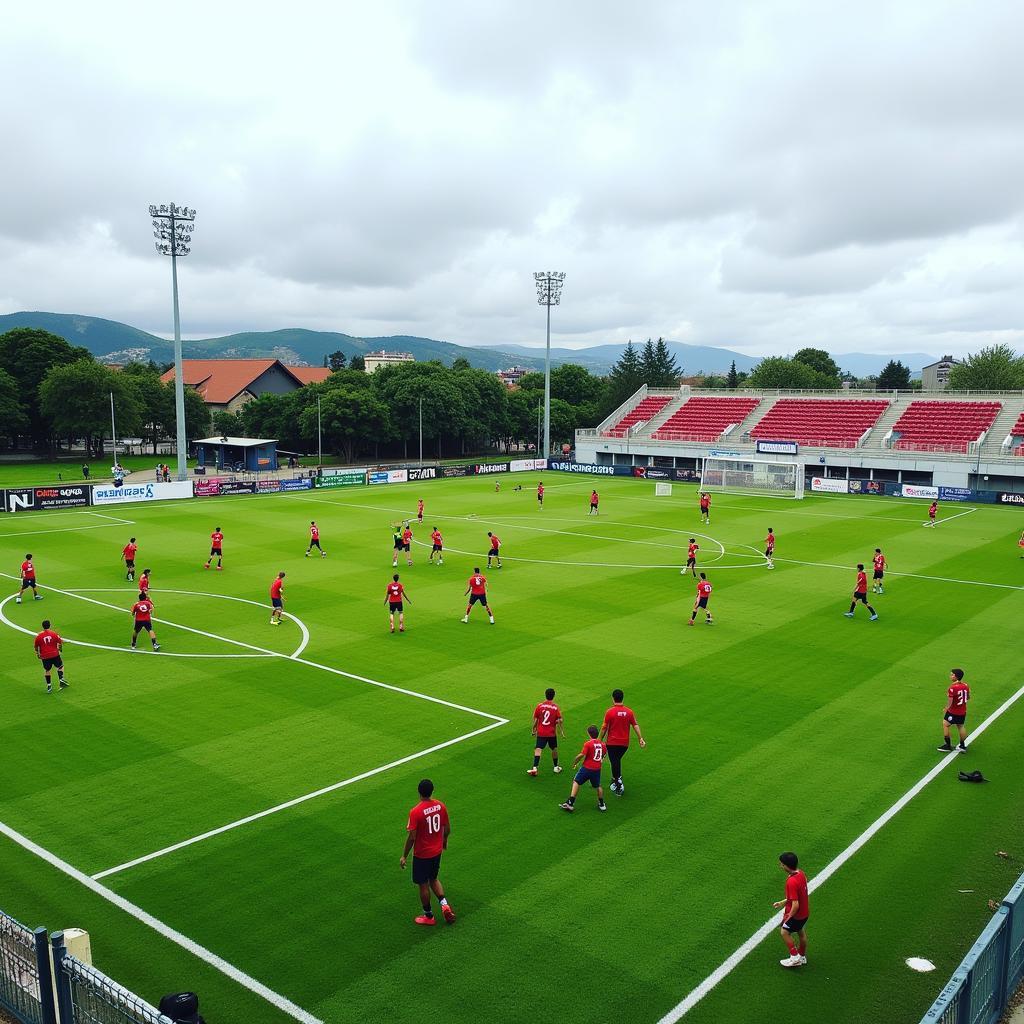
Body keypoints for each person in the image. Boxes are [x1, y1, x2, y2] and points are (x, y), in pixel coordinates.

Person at [400, 779, 455, 926]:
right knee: (434, 879)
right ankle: (444, 905)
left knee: (423, 885)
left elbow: (412, 838)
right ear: (432, 791)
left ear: (419, 792)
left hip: (422, 855)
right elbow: (447, 828)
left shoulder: (416, 812)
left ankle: (429, 916)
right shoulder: (440, 806)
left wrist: (404, 856)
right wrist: (444, 841)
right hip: (436, 852)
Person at [599, 689, 646, 795]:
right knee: (616, 760)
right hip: (624, 744)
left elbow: (604, 727)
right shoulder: (629, 712)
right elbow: (635, 725)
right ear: (622, 698)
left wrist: (599, 740)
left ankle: (618, 783)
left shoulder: (610, 712)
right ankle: (615, 779)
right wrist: (640, 738)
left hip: (612, 743)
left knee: (614, 761)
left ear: (613, 698)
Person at [773, 852, 809, 968]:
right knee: (801, 933)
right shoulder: (801, 874)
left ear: (786, 866)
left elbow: (795, 905)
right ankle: (802, 956)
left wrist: (788, 917)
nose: (781, 866)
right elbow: (797, 895)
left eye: (782, 864)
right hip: (805, 913)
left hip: (796, 915)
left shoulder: (791, 881)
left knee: (784, 932)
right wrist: (782, 902)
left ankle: (794, 957)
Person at [559, 726, 607, 813]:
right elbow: (604, 754)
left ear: (589, 734)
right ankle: (602, 804)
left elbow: (581, 755)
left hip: (587, 768)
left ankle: (570, 803)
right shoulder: (602, 744)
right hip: (597, 769)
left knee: (576, 782)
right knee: (598, 786)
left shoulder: (588, 744)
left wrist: (575, 762)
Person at [528, 687, 565, 776]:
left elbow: (536, 720)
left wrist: (533, 729)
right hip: (551, 733)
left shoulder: (539, 706)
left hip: (541, 732)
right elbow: (560, 720)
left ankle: (535, 767)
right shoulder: (555, 707)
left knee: (538, 748)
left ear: (545, 695)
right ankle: (556, 767)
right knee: (554, 748)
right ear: (553, 696)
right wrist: (560, 728)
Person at [937, 668, 970, 753]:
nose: (950, 676)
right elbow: (968, 697)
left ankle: (947, 746)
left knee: (945, 724)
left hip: (953, 712)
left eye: (952, 675)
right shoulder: (966, 685)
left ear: (956, 677)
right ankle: (962, 746)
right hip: (962, 711)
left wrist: (946, 708)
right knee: (961, 726)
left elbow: (950, 701)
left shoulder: (952, 688)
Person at [34, 619, 67, 692]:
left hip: (45, 656)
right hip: (54, 654)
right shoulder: (54, 634)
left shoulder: (39, 636)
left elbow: (36, 646)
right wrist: (60, 650)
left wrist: (37, 654)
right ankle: (61, 680)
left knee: (47, 670)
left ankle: (49, 686)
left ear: (43, 626)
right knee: (60, 666)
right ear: (50, 625)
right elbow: (60, 642)